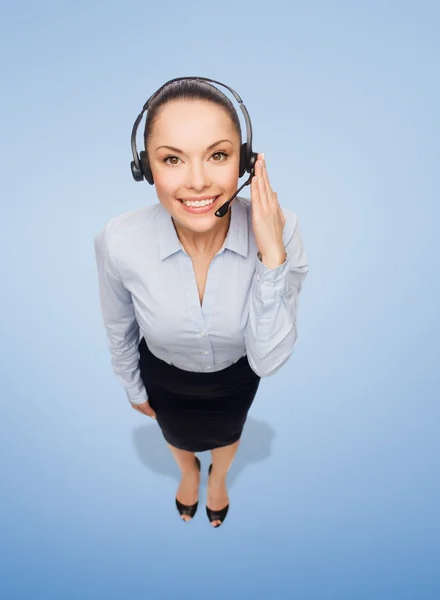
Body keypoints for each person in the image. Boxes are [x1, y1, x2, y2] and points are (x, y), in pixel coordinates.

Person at [94, 78, 309, 527]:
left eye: (218, 155)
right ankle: (189, 471)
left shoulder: (281, 229)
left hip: (236, 377)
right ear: (146, 168)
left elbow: (267, 359)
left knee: (229, 434)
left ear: (244, 162)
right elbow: (119, 324)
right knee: (175, 434)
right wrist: (133, 386)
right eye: (172, 159)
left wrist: (272, 255)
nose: (196, 181)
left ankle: (218, 479)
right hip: (164, 377)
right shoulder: (119, 239)